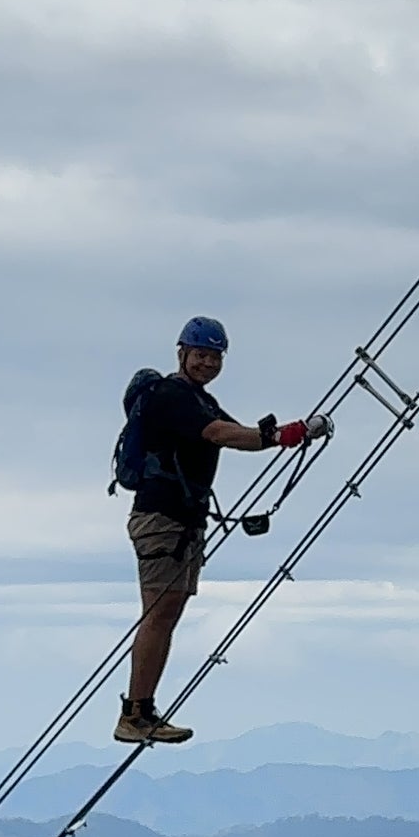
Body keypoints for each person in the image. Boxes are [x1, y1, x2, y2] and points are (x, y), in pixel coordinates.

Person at [115, 317, 331, 745]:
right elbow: (221, 435)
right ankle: (135, 715)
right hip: (164, 520)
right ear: (182, 354)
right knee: (160, 614)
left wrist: (291, 433)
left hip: (180, 522)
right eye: (201, 355)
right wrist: (285, 435)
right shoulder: (174, 395)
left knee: (166, 613)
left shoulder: (198, 399)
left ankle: (142, 711)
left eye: (215, 356)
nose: (208, 363)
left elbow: (246, 436)